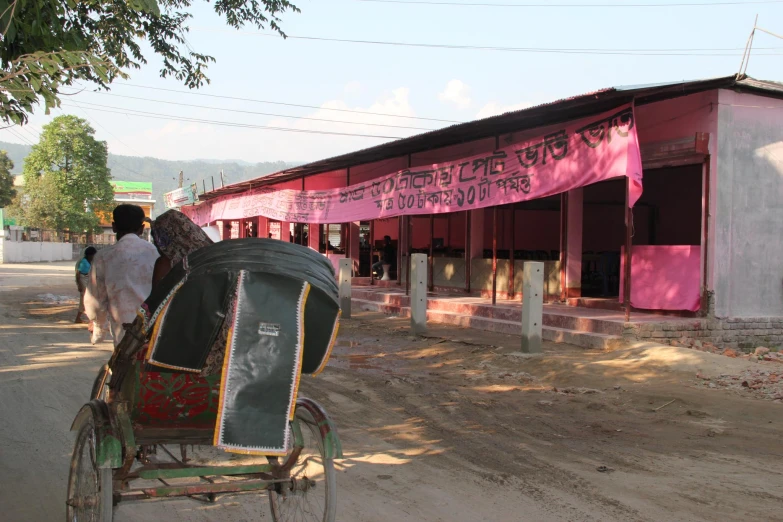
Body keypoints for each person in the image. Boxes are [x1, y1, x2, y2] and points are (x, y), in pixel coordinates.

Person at [84, 204, 159, 347]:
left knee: (126, 366)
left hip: (124, 330)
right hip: (155, 327)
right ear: (142, 228)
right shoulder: (155, 253)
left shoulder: (103, 257)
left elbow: (95, 299)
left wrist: (99, 326)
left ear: (113, 227)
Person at [150, 209, 213, 287]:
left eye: (155, 238)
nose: (155, 244)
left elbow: (158, 297)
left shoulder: (165, 263)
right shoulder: (211, 254)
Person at [74, 246, 97, 324]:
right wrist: (79, 285)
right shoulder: (84, 262)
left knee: (86, 300)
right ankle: (89, 319)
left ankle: (80, 318)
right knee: (86, 299)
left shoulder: (90, 261)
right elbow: (78, 274)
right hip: (83, 280)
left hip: (87, 280)